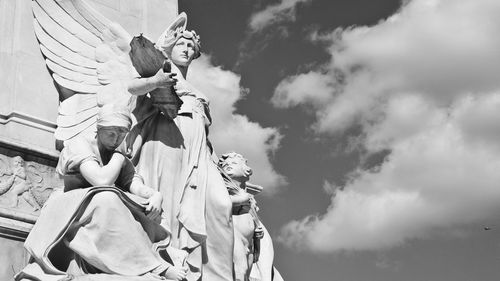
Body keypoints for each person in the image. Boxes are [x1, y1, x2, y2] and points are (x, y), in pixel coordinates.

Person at [16, 104, 187, 281]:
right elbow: (101, 180)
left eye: (122, 134)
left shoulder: (116, 156)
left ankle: (142, 263)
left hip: (95, 204)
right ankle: (156, 267)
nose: (116, 139)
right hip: (70, 206)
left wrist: (155, 196)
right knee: (108, 198)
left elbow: (135, 185)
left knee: (141, 205)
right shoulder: (80, 145)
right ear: (99, 129)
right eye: (111, 133)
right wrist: (120, 157)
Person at [126, 13, 234, 281]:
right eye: (181, 45)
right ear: (170, 47)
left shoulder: (194, 89)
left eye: (191, 48)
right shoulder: (160, 71)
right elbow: (132, 87)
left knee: (221, 204)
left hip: (199, 155)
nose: (186, 50)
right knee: (170, 207)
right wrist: (156, 83)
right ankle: (167, 262)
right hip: (166, 144)